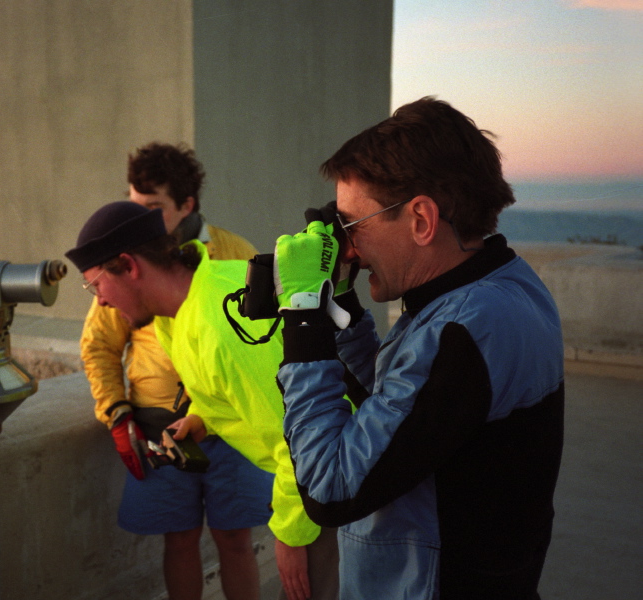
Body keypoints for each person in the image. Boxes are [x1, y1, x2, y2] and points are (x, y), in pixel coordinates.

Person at [272, 97, 564, 599]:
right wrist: (337, 296)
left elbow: (330, 486)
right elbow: (397, 409)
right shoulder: (502, 289)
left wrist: (303, 320)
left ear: (421, 220)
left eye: (350, 225)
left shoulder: (465, 329)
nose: (349, 248)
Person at [66, 201, 339, 600]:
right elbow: (235, 387)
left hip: (325, 493)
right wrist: (202, 417)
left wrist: (291, 537)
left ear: (129, 265)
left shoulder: (218, 326)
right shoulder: (180, 309)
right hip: (314, 486)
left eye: (95, 285)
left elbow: (301, 439)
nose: (101, 301)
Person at [77, 143, 270, 600]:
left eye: (150, 207)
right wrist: (117, 411)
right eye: (131, 203)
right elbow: (99, 344)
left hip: (234, 432)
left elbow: (261, 360)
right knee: (178, 540)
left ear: (187, 205)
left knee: (236, 540)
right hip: (162, 427)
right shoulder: (122, 277)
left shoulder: (232, 254)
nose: (134, 216)